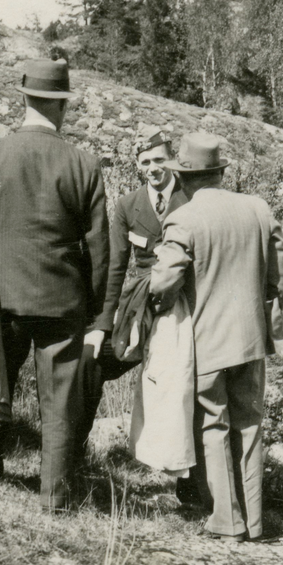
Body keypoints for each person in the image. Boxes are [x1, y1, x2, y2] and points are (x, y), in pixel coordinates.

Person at [0, 59, 109, 513]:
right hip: (64, 302)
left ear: (24, 100)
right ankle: (54, 497)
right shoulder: (85, 165)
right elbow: (100, 250)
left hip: (3, 296)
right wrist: (95, 309)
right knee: (59, 405)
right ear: (62, 107)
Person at [150, 132, 283, 542]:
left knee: (214, 426)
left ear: (184, 178)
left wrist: (164, 308)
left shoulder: (184, 219)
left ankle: (227, 520)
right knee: (250, 425)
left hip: (207, 342)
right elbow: (280, 273)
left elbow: (163, 283)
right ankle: (255, 521)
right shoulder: (258, 209)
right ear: (219, 173)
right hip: (251, 340)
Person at [76, 126, 189, 450]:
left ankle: (190, 481)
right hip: (141, 308)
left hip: (183, 307)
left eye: (158, 160)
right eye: (145, 163)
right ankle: (74, 452)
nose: (152, 168)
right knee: (91, 360)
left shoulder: (190, 197)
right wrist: (102, 325)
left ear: (172, 160)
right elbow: (115, 267)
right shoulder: (128, 206)